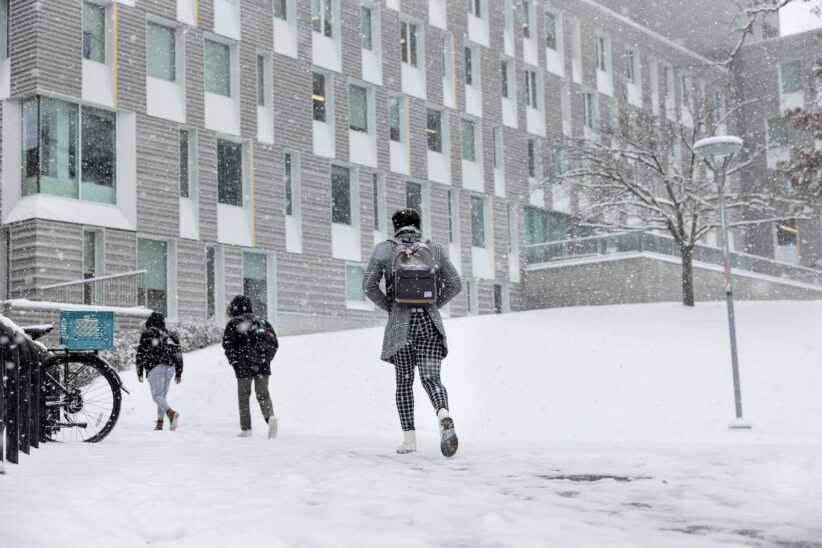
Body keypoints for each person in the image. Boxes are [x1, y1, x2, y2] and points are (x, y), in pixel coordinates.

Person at [363, 208, 462, 457]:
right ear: (419, 225)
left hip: (401, 327)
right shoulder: (435, 248)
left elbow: (368, 285)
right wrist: (433, 305)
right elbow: (455, 283)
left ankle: (409, 440)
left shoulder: (384, 250)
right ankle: (443, 413)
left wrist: (392, 306)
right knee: (432, 379)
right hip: (429, 323)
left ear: (395, 226)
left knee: (404, 382)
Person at [222, 295, 279, 439]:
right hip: (263, 366)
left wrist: (235, 362)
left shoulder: (234, 323)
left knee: (244, 397)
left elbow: (228, 346)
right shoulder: (262, 322)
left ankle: (246, 429)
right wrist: (265, 361)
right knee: (263, 395)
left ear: (235, 307)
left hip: (243, 366)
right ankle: (270, 418)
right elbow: (274, 343)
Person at [137, 312, 182, 431]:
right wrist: (178, 372)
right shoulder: (171, 334)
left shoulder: (148, 333)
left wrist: (140, 370)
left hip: (155, 367)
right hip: (170, 367)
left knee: (157, 396)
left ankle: (171, 413)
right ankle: (160, 423)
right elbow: (178, 354)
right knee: (162, 396)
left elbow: (140, 353)